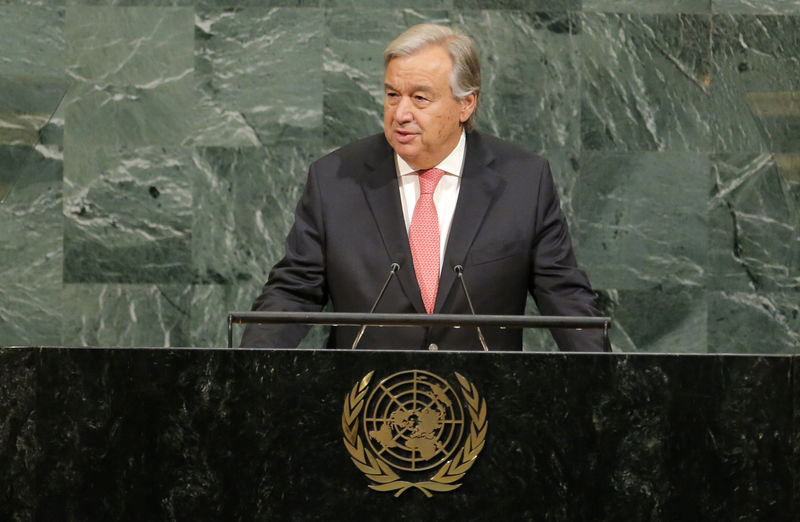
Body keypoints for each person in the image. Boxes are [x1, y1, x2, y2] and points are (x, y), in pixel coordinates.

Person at [240, 23, 606, 352]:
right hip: (366, 408)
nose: (400, 114)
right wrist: (244, 371)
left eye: (420, 98)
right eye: (392, 95)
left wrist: (610, 385)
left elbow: (565, 297)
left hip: (486, 408)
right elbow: (293, 290)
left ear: (466, 103)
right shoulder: (335, 179)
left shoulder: (524, 182)